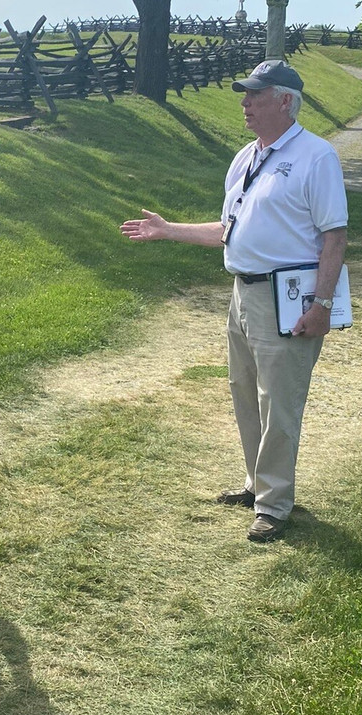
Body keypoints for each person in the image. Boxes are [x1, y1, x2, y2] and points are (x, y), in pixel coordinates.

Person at [120, 59, 348, 543]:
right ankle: (256, 483)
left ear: (285, 101)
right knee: (244, 393)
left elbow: (335, 237)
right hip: (242, 293)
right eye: (245, 95)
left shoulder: (316, 156)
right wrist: (168, 230)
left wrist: (322, 305)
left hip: (287, 296)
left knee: (280, 403)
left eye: (255, 96)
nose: (244, 104)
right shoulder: (247, 156)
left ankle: (274, 504)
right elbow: (229, 231)